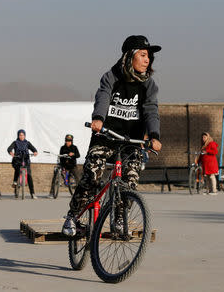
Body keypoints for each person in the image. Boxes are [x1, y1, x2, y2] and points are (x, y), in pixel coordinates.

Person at [62, 35, 162, 236]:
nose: (147, 60)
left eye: (149, 56)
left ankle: (119, 217)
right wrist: (98, 118)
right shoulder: (111, 77)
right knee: (92, 175)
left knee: (130, 179)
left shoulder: (148, 85)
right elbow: (103, 96)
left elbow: (151, 110)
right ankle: (73, 217)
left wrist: (153, 135)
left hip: (131, 141)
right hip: (106, 136)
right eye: (143, 55)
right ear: (129, 56)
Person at [7, 130, 38, 199]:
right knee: (17, 170)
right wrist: (11, 152)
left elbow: (33, 149)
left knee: (29, 176)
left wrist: (35, 152)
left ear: (25, 135)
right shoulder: (15, 142)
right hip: (17, 160)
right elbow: (9, 148)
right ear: (18, 135)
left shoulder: (27, 143)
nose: (21, 136)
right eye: (20, 135)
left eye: (22, 135)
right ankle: (15, 182)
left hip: (26, 161)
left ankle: (32, 193)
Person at [48, 134, 80, 198]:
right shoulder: (62, 148)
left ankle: (80, 193)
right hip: (64, 165)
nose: (68, 142)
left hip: (72, 165)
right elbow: (60, 156)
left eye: (69, 141)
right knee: (55, 174)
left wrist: (73, 154)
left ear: (72, 141)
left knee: (77, 178)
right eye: (66, 141)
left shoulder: (74, 147)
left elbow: (78, 155)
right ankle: (52, 192)